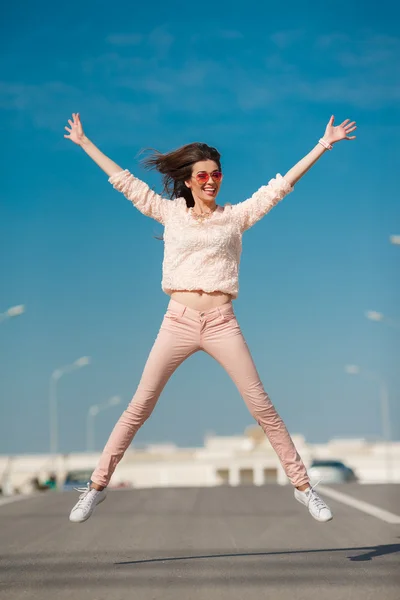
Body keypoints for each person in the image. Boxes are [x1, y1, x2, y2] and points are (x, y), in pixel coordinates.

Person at [64, 112, 356, 524]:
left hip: (221, 322)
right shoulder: (170, 214)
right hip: (178, 321)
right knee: (139, 406)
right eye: (201, 175)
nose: (210, 181)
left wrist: (323, 145)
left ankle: (305, 489)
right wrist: (85, 143)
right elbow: (126, 183)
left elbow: (281, 188)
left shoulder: (235, 217)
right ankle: (95, 488)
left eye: (215, 174)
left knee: (262, 406)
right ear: (188, 181)